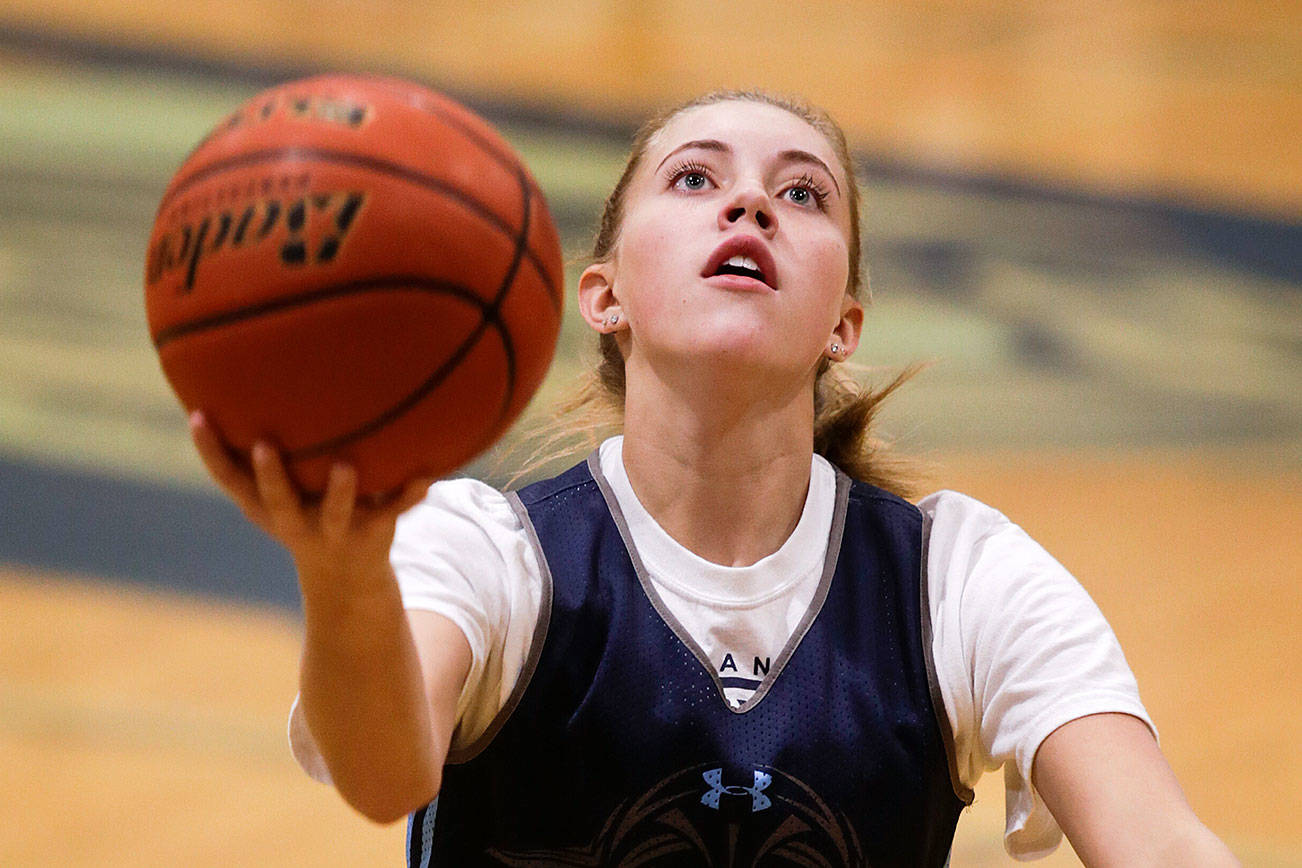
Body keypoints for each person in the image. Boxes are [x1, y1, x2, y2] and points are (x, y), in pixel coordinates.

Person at [190, 90, 1239, 866]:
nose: (750, 202)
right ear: (604, 296)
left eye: (802, 192)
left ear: (844, 325)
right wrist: (340, 573)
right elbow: (384, 776)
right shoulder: (488, 548)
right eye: (695, 178)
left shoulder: (958, 578)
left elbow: (1161, 844)